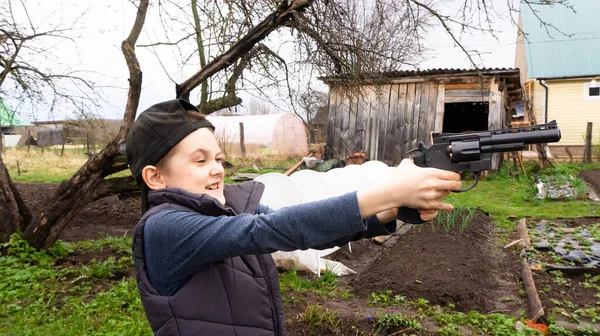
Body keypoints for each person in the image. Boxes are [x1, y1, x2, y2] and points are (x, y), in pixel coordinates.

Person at [126, 99, 462, 336]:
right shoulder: (164, 228)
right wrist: (388, 191)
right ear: (155, 178)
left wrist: (385, 212)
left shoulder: (225, 205)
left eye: (217, 157)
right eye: (200, 161)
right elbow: (273, 230)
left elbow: (301, 232)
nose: (217, 168)